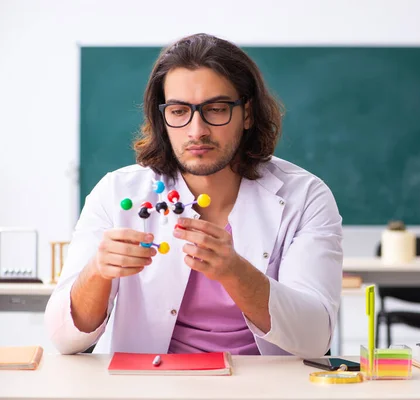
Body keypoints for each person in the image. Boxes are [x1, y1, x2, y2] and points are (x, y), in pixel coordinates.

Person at [44, 33, 343, 358]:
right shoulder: (117, 193)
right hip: (153, 385)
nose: (196, 129)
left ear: (248, 114)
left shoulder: (306, 197)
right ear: (163, 118)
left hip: (265, 387)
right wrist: (97, 271)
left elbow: (315, 338)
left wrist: (234, 271)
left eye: (215, 109)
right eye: (178, 111)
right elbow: (64, 340)